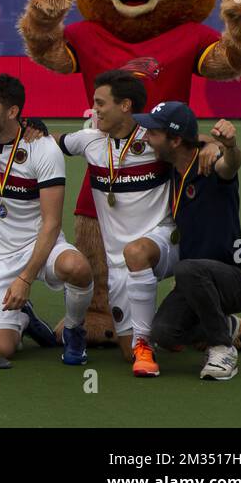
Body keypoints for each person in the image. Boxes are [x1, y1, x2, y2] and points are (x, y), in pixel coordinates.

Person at [56, 71, 178, 375]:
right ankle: (175, 331)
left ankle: (147, 344)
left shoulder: (154, 139)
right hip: (119, 262)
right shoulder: (89, 142)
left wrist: (214, 146)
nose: (93, 110)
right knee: (127, 353)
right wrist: (27, 131)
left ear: (125, 106)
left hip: (162, 243)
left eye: (100, 103)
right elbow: (51, 143)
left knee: (136, 252)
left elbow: (193, 143)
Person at [0, 74, 94, 363]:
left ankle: (74, 330)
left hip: (40, 243)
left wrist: (25, 279)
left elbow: (52, 223)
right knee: (1, 349)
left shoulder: (43, 148)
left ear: (13, 112)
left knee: (77, 267)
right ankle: (24, 319)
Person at [140, 103, 241, 381]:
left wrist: (227, 146)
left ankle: (223, 348)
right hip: (194, 281)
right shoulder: (172, 168)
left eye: (153, 133)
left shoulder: (212, 166)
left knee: (187, 269)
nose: (146, 138)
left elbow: (231, 164)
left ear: (176, 140)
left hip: (237, 279)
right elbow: (198, 139)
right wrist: (211, 140)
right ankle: (226, 324)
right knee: (164, 333)